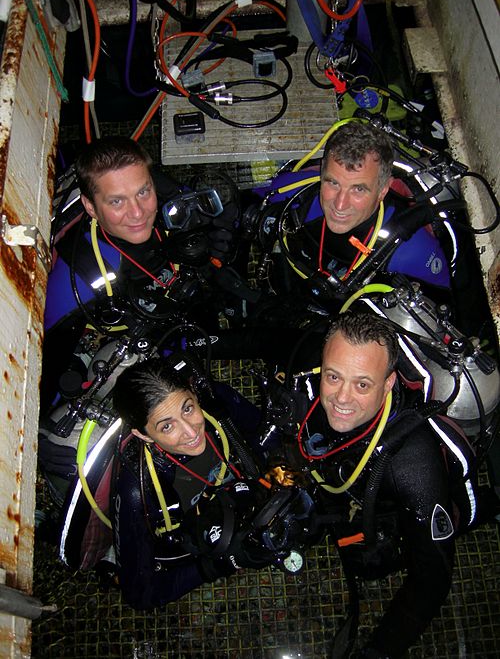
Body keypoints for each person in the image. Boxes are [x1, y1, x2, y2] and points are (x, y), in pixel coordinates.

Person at [278, 311, 478, 658]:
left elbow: (432, 580)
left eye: (362, 384)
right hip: (345, 474)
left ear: (388, 384)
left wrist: (378, 651)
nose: (341, 398)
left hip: (389, 502)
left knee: (369, 565)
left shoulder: (412, 463)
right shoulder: (319, 357)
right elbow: (267, 340)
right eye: (333, 377)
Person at [59, 353, 284, 610]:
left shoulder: (215, 404)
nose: (191, 432)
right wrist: (217, 565)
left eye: (187, 408)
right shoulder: (137, 489)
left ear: (193, 393)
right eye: (167, 427)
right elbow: (140, 595)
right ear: (142, 435)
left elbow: (267, 437)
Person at [41, 136, 249, 412]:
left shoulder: (171, 203)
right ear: (90, 207)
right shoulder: (74, 283)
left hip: (183, 309)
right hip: (141, 341)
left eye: (143, 192)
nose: (138, 212)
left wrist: (222, 248)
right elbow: (47, 376)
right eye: (117, 202)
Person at [250, 121, 453, 328]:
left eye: (358, 189)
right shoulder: (294, 191)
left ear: (382, 191)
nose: (339, 204)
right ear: (321, 174)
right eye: (333, 183)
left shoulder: (413, 251)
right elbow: (251, 206)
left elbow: (441, 315)